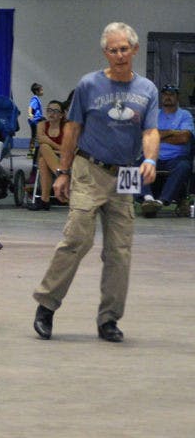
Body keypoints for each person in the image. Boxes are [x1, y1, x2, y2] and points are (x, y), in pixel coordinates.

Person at [32, 22, 159, 343]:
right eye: (113, 50)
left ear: (134, 50)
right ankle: (46, 305)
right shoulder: (89, 85)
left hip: (126, 174)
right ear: (106, 52)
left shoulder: (147, 90)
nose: (119, 55)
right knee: (77, 238)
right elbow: (72, 130)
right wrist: (63, 172)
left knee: (120, 251)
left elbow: (150, 131)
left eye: (124, 49)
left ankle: (109, 319)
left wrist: (150, 159)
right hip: (89, 169)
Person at [138, 84, 193, 216]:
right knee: (136, 164)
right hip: (154, 156)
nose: (168, 97)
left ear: (177, 97)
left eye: (171, 94)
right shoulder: (154, 114)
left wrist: (158, 136)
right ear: (162, 96)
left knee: (184, 166)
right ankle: (148, 199)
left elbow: (185, 138)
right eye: (165, 94)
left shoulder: (184, 115)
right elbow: (145, 134)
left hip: (176, 158)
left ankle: (161, 201)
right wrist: (173, 133)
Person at [27, 99, 68, 211]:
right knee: (43, 152)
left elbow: (68, 150)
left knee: (44, 151)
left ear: (62, 115)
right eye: (49, 110)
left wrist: (51, 144)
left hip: (65, 159)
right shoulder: (41, 125)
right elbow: (41, 142)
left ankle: (45, 200)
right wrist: (56, 149)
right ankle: (61, 175)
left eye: (55, 111)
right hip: (50, 157)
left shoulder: (66, 127)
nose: (51, 113)